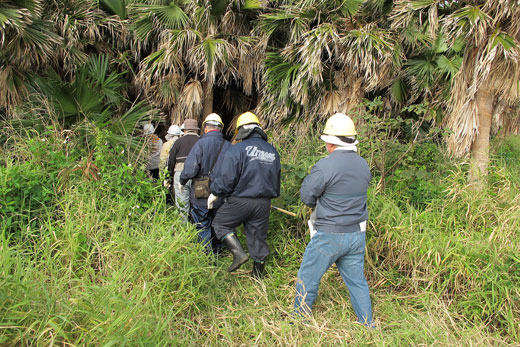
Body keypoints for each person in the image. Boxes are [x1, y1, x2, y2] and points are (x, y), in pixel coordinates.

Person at [293, 113, 374, 327]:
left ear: (330, 143)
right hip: (357, 235)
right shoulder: (363, 165)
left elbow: (307, 196)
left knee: (307, 277)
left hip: (329, 235)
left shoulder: (326, 165)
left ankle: (299, 321)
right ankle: (368, 324)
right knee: (357, 281)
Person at [209, 112, 281, 278]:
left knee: (220, 224)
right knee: (258, 237)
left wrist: (215, 192)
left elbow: (227, 178)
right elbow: (276, 179)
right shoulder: (272, 151)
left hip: (241, 200)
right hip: (264, 203)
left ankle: (239, 254)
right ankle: (258, 277)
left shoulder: (238, 149)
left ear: (241, 130)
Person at [180, 114, 231, 253]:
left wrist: (182, 181)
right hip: (220, 193)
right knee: (217, 223)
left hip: (201, 192)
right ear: (220, 129)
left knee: (202, 223)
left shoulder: (200, 144)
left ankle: (206, 255)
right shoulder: (229, 146)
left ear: (205, 128)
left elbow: (190, 169)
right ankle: (218, 252)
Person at [167, 119, 200, 222]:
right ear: (196, 130)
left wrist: (169, 176)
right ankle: (197, 225)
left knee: (182, 202)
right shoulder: (201, 141)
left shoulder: (178, 141)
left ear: (185, 130)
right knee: (197, 201)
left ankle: (183, 228)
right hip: (198, 174)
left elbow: (171, 160)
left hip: (180, 173)